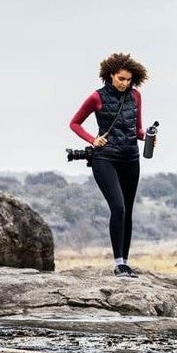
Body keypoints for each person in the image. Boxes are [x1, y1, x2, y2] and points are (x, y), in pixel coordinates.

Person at [69, 53, 149, 278]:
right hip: (105, 159)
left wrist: (147, 136)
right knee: (118, 208)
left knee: (128, 212)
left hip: (131, 158)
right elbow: (74, 123)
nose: (125, 83)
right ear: (110, 75)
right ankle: (118, 264)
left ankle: (126, 262)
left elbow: (138, 129)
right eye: (121, 79)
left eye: (128, 80)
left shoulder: (135, 96)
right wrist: (92, 140)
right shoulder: (97, 97)